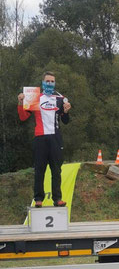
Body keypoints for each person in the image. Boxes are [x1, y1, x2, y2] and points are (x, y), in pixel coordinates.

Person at [17, 71, 71, 208]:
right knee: (39, 170)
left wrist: (66, 111)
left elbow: (65, 121)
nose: (50, 84)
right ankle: (38, 199)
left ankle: (57, 198)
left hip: (55, 138)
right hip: (40, 138)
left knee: (56, 170)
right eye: (47, 81)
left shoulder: (60, 99)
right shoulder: (35, 97)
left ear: (55, 83)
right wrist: (20, 102)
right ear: (42, 82)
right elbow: (23, 117)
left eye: (52, 81)